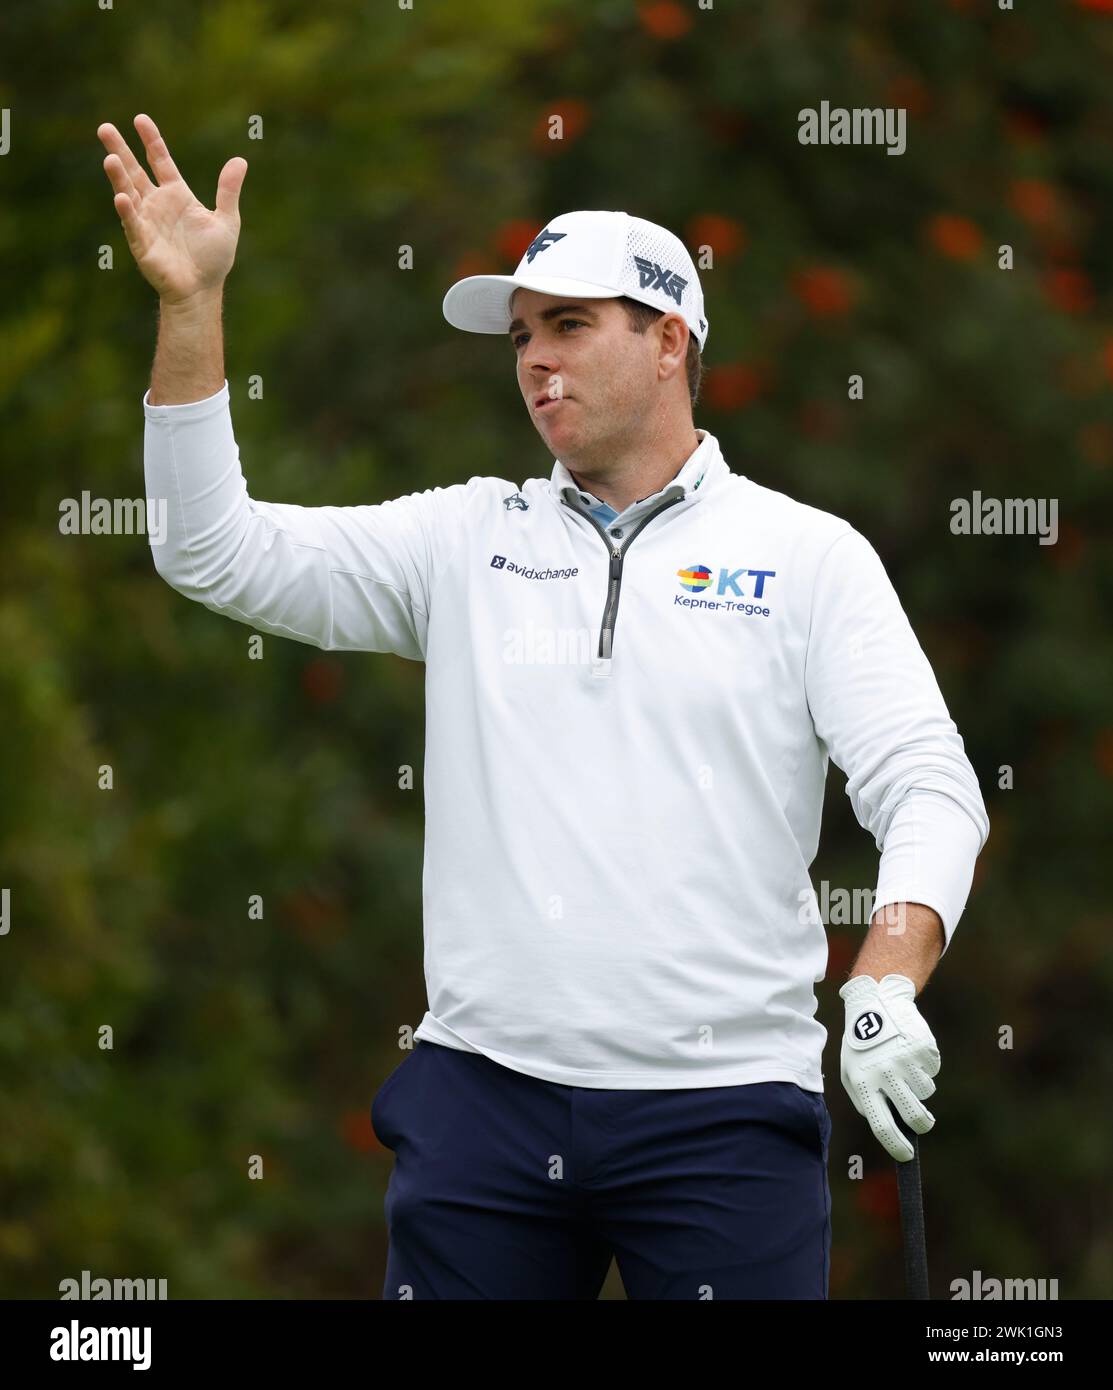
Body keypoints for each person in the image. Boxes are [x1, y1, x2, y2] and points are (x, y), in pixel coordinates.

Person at [97, 114, 990, 1301]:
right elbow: (213, 549)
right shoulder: (465, 537)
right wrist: (191, 307)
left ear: (670, 340)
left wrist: (884, 975)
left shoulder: (806, 554)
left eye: (569, 325)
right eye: (522, 334)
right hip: (485, 1104)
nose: (534, 358)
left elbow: (926, 781)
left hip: (721, 1111)